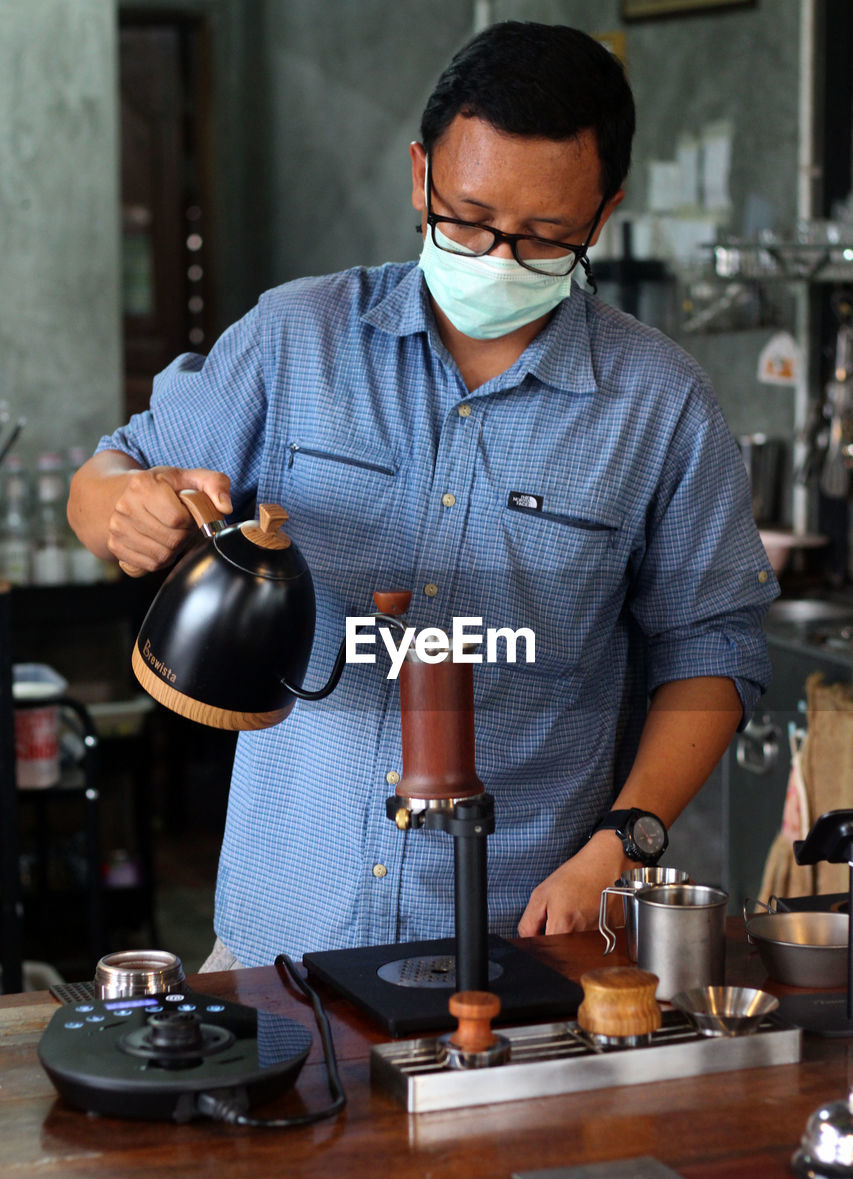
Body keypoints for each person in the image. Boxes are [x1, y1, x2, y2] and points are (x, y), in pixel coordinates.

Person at [68, 21, 777, 970]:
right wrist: (128, 502)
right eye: (468, 218)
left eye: (542, 237)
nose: (494, 255)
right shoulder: (294, 340)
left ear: (600, 219)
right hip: (282, 934)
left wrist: (621, 847)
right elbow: (106, 477)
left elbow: (715, 649)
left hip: (520, 936)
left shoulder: (659, 406)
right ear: (419, 176)